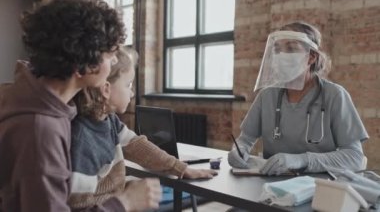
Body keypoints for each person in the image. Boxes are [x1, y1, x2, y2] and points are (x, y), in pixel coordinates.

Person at [0, 0, 160, 211]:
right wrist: (125, 202)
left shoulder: (31, 96)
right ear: (84, 64)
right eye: (109, 56)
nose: (113, 63)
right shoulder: (41, 130)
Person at [69, 47, 217, 209]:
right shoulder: (82, 140)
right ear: (106, 89)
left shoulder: (110, 121)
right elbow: (80, 206)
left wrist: (180, 168)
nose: (132, 93)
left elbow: (136, 145)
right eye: (128, 85)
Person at [228, 21, 368, 176]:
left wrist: (302, 160)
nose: (281, 56)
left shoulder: (335, 95)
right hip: (271, 187)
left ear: (311, 57)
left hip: (319, 188)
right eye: (277, 50)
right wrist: (238, 150)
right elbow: (245, 139)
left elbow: (354, 157)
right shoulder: (267, 96)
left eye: (290, 48)